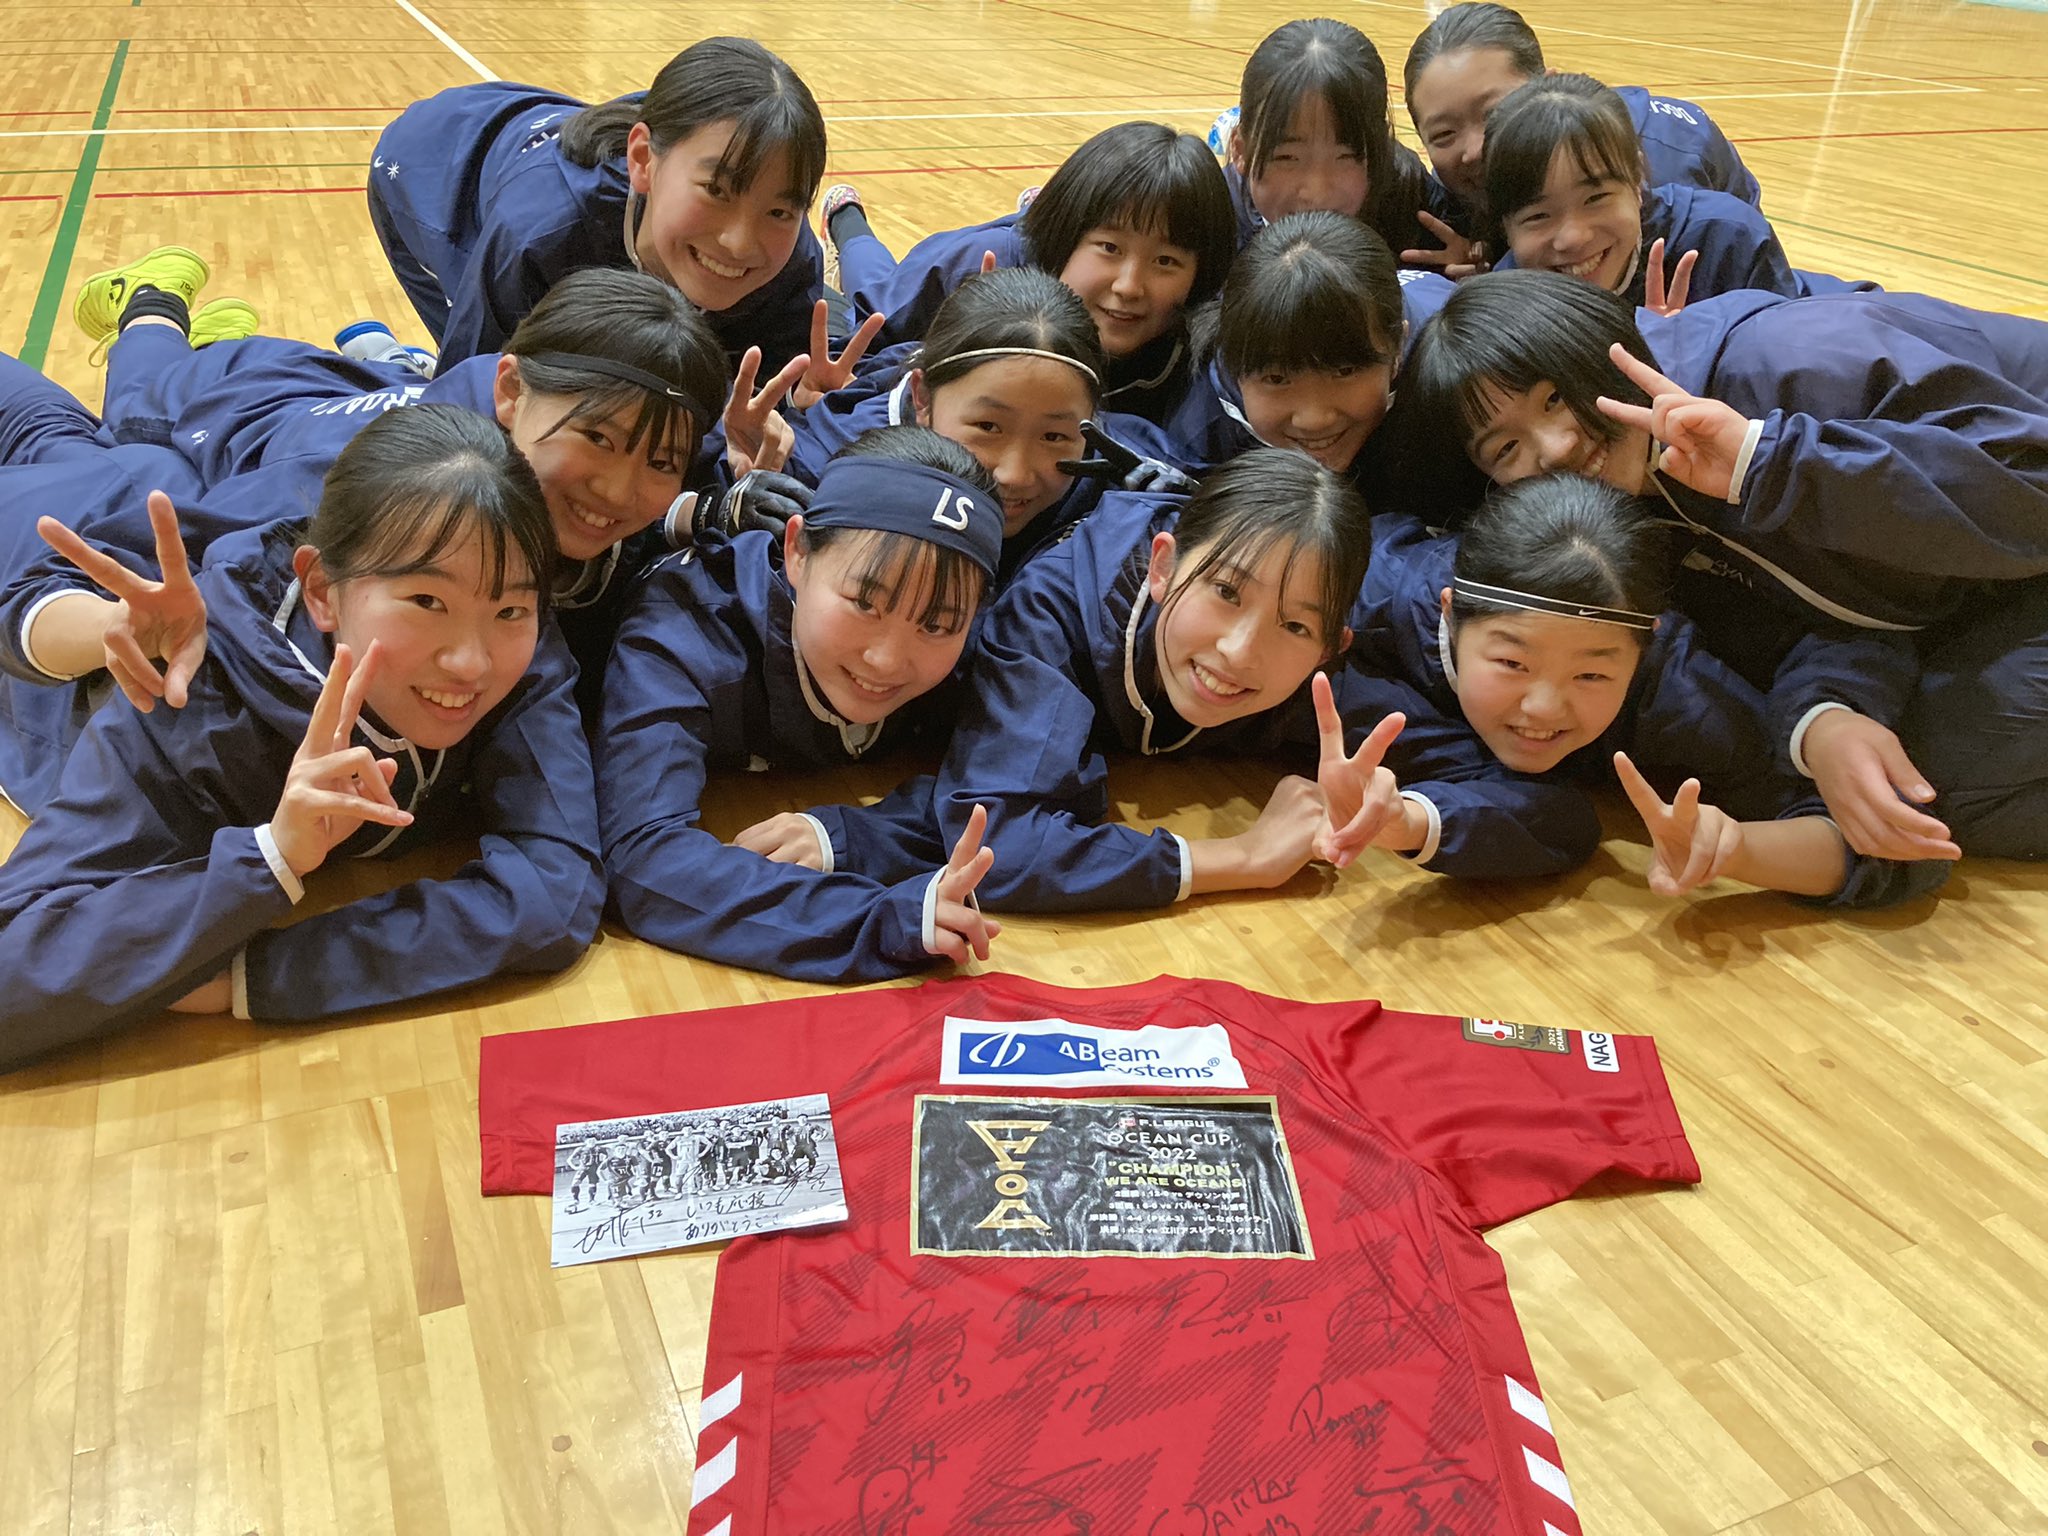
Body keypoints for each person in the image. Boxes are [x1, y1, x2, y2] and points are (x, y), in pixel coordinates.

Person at [0, 405, 604, 1070]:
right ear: (320, 592)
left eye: (510, 609)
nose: (471, 663)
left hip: (172, 489)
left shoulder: (518, 644)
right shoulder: (194, 701)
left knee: (78, 433)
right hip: (42, 532)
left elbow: (556, 895)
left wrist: (255, 975)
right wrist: (270, 856)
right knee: (58, 435)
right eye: (428, 602)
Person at [1393, 269, 2048, 862]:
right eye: (1506, 447)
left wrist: (1767, 462)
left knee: (1946, 769)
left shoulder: (1784, 364)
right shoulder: (1624, 510)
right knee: (1890, 787)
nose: (1557, 446)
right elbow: (1832, 610)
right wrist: (1827, 716)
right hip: (1977, 596)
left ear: (1597, 342)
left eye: (1557, 397)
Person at [797, 449, 1384, 912]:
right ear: (1162, 566)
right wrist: (1242, 857)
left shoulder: (1331, 670)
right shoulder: (1050, 615)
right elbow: (999, 842)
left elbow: (1466, 767)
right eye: (1225, 592)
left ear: (1333, 647)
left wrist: (1400, 811)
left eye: (1294, 626)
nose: (1239, 650)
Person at [1337, 474, 1945, 905]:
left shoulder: (1678, 697)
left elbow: (1889, 843)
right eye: (1512, 664)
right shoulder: (1359, 615)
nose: (1544, 708)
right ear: (1450, 615)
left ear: (1643, 648)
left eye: (1591, 674)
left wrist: (1736, 849)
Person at [596, 425, 1005, 982]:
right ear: (796, 552)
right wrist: (874, 920)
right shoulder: (683, 632)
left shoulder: (980, 643)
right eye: (864, 602)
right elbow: (641, 856)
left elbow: (1020, 787)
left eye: (937, 624)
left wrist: (853, 836)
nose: (886, 659)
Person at [366, 38, 827, 374]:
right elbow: (465, 406)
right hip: (429, 177)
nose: (740, 242)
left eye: (780, 211)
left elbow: (779, 387)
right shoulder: (539, 236)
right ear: (643, 160)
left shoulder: (786, 250)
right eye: (717, 191)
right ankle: (394, 373)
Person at [824, 121, 1236, 422]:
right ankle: (845, 219)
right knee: (868, 285)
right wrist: (837, 384)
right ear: (1065, 238)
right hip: (908, 294)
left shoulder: (1196, 332)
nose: (1129, 287)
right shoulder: (980, 266)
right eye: (1110, 248)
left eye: (1165, 261)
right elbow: (863, 344)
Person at [784, 267, 1141, 585]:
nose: (1014, 475)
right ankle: (846, 220)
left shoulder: (1122, 469)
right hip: (858, 350)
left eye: (1053, 436)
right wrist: (730, 483)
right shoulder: (833, 468)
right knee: (870, 283)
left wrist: (1167, 512)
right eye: (988, 426)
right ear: (922, 399)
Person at [1402, 1, 1759, 268]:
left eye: (1495, 114)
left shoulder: (1658, 170)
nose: (1475, 149)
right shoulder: (1455, 190)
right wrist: (1488, 265)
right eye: (1445, 134)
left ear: (1551, 86)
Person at [1482, 74, 1854, 309]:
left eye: (1596, 198)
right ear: (1505, 227)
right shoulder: (1509, 299)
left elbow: (1788, 371)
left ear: (1638, 180)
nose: (1574, 236)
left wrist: (1696, 353)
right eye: (1537, 216)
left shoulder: (1724, 239)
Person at [1146, 212, 1446, 485]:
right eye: (1276, 379)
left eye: (1344, 371)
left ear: (1398, 347)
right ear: (1235, 366)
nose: (1314, 419)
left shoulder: (1451, 376)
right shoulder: (1201, 433)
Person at [1218, 19, 1454, 267]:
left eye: (1346, 156)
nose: (1317, 195)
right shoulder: (1207, 226)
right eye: (1287, 157)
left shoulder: (1418, 209)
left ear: (1380, 149)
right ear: (1240, 149)